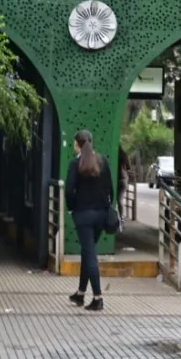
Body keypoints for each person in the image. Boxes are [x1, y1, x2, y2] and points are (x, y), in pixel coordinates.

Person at [65, 130, 113, 311]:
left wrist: (71, 207)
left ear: (78, 145)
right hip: (101, 215)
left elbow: (69, 190)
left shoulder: (75, 163)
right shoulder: (102, 161)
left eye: (73, 143)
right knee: (88, 251)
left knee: (90, 254)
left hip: (83, 215)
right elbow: (110, 188)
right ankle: (80, 294)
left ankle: (98, 298)